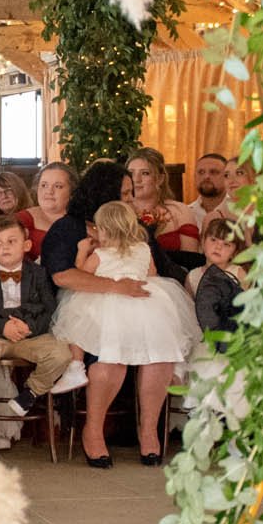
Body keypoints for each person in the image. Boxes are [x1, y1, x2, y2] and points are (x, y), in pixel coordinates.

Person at [53, 200, 201, 468]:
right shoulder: (143, 248)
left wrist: (82, 251)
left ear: (104, 229)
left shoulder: (101, 254)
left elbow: (82, 269)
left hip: (133, 305)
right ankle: (94, 431)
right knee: (112, 361)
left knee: (158, 361)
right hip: (123, 305)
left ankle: (149, 431)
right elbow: (152, 274)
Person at [0, 217, 82, 424]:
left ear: (26, 245)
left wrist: (30, 327)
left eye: (11, 241)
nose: (4, 247)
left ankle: (31, 392)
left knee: (61, 353)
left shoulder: (39, 273)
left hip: (30, 336)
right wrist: (2, 327)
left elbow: (50, 310)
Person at [128, 147, 203, 273]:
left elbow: (192, 261)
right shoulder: (118, 212)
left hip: (175, 280)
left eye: (145, 173)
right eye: (131, 173)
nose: (136, 179)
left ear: (160, 179)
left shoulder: (180, 211)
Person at [189, 216, 248, 338]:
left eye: (226, 244)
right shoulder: (193, 276)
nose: (218, 247)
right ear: (203, 242)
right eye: (213, 240)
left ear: (235, 252)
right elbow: (190, 309)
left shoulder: (239, 274)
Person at [25, 163, 76, 260]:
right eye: (44, 185)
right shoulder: (21, 219)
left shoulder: (84, 222)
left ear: (72, 193)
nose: (49, 191)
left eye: (58, 186)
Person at [190, 152, 231, 221]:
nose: (206, 177)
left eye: (213, 172)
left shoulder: (241, 212)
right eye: (201, 172)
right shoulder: (186, 213)